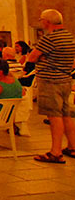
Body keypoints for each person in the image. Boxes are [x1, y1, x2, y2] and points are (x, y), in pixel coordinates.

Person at [28, 9, 75, 164]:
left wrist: (42, 56)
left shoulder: (50, 38)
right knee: (65, 114)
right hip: (65, 80)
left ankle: (56, 152)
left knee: (54, 116)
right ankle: (72, 146)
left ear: (47, 21)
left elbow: (32, 57)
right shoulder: (69, 37)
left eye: (41, 19)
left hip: (50, 81)